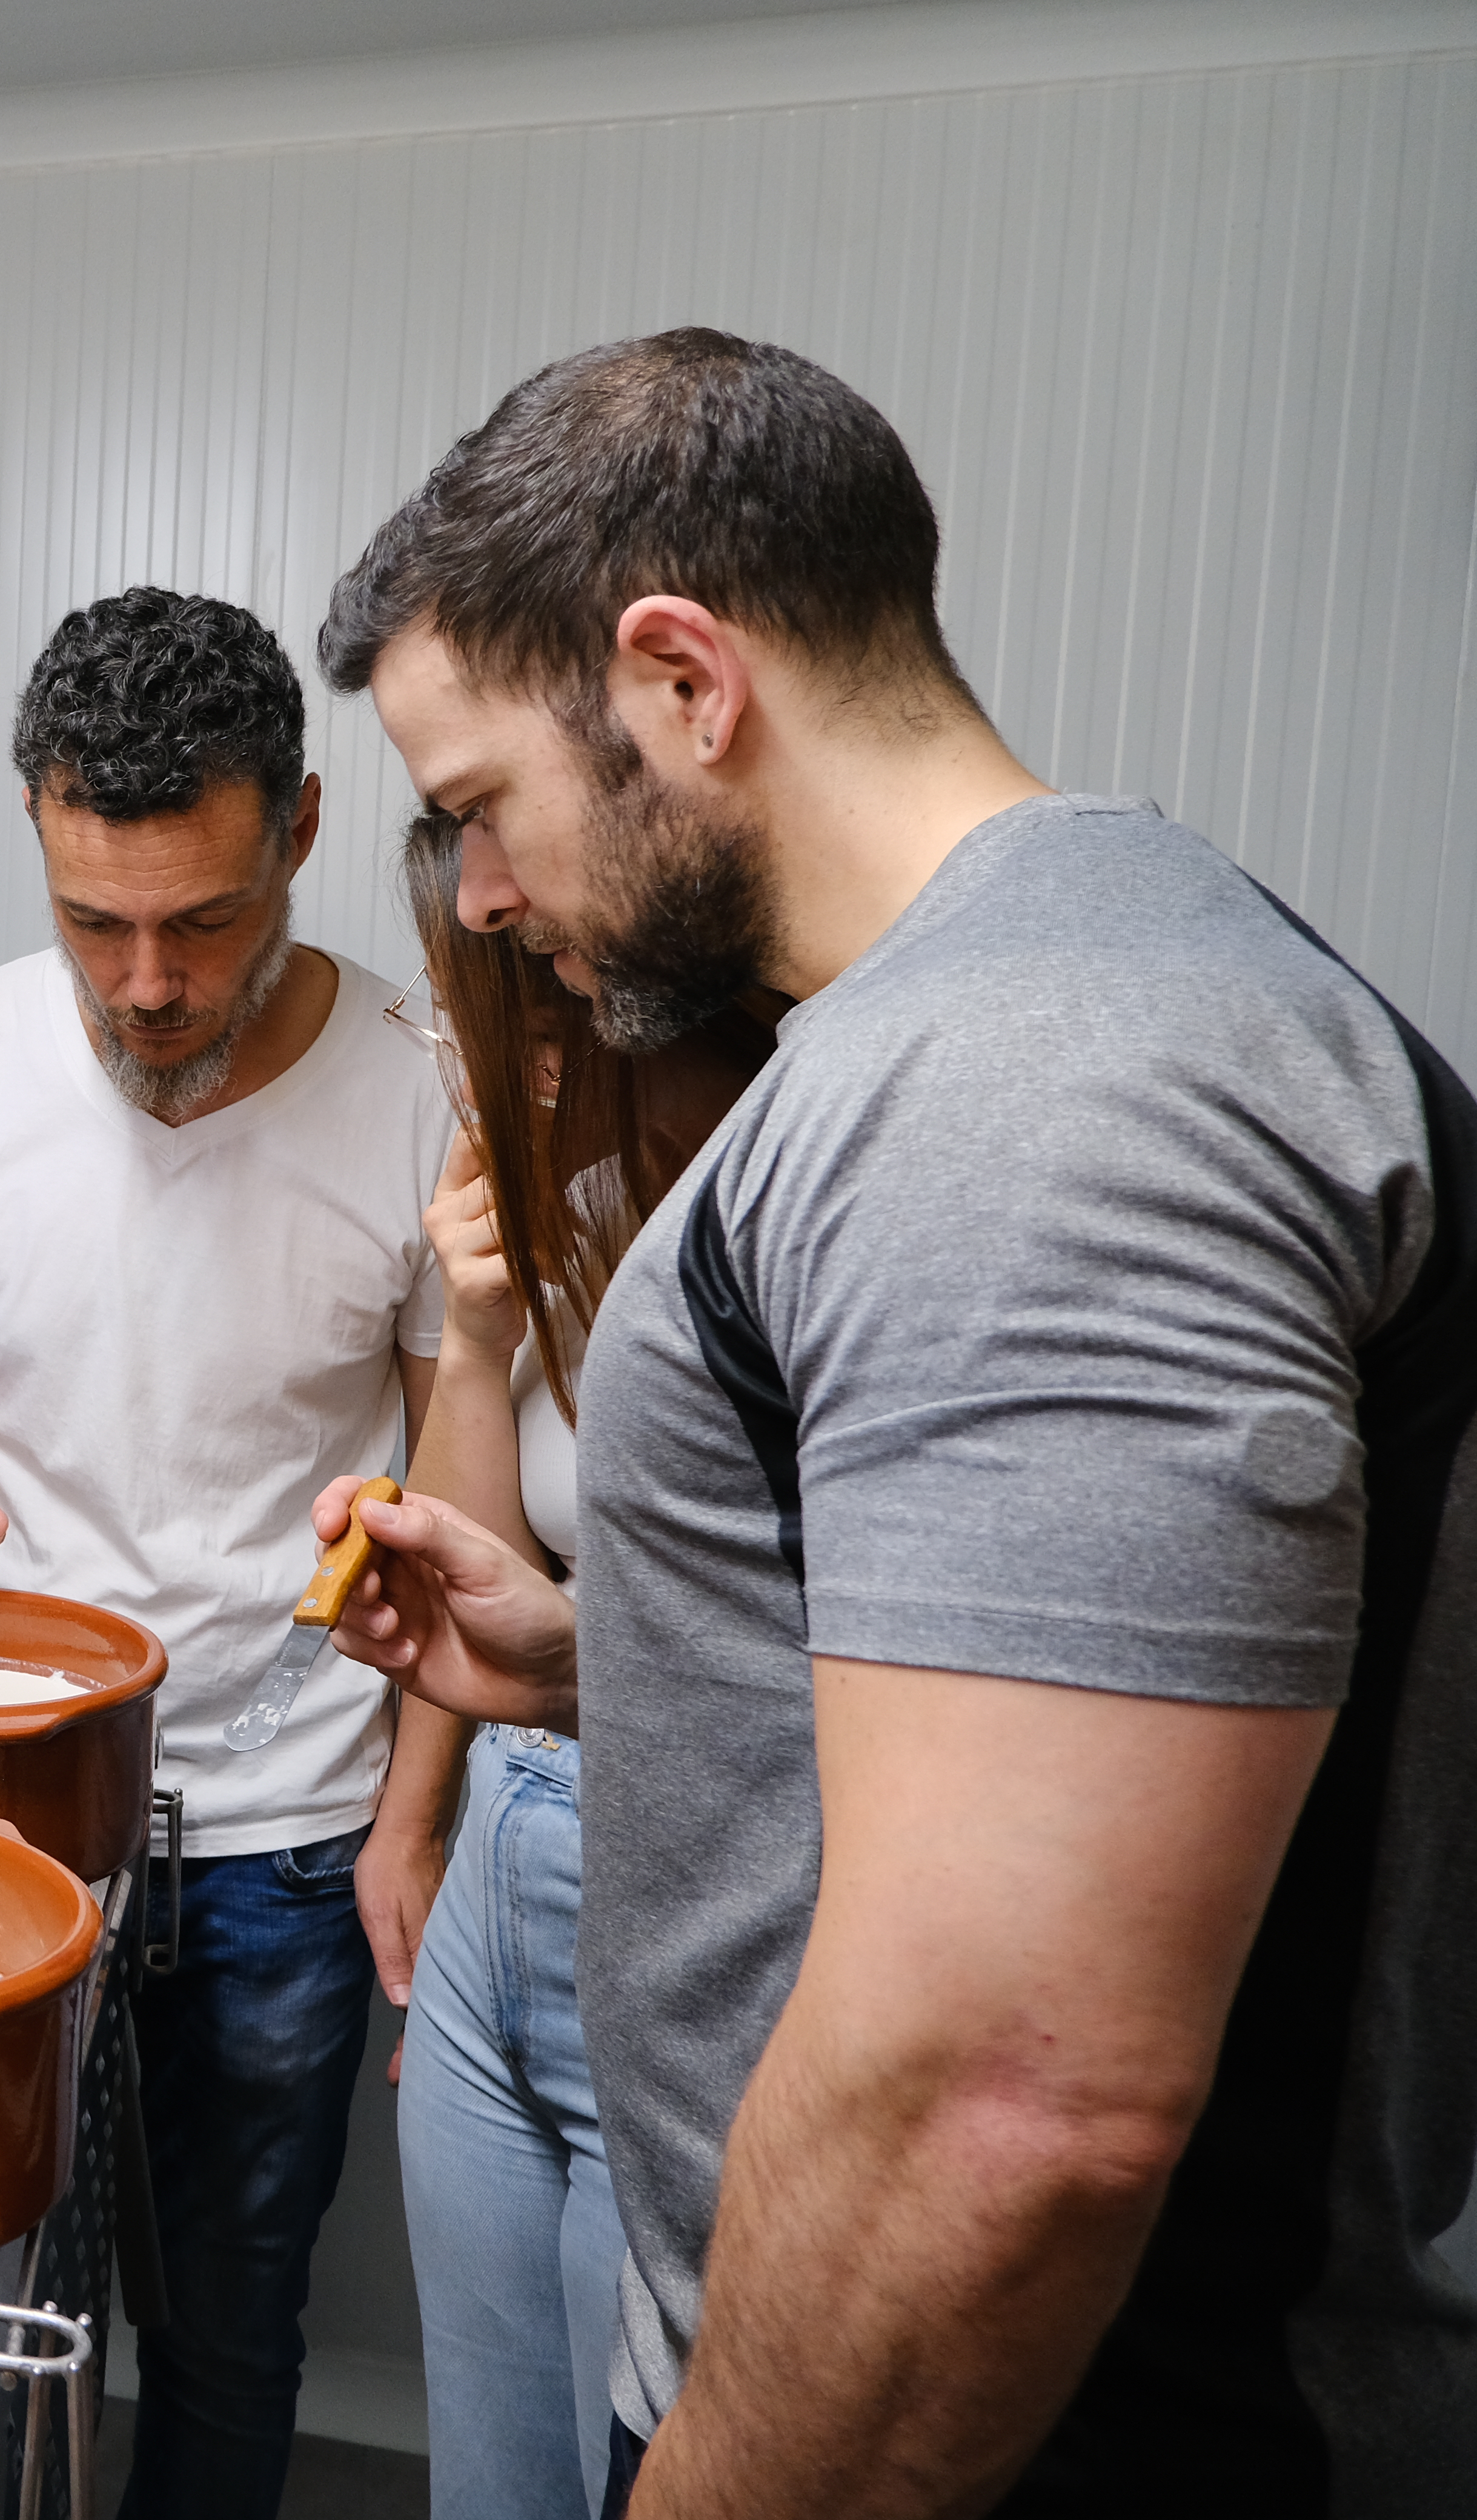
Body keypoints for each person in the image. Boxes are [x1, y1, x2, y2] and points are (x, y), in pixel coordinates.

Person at [314, 327, 1477, 2515]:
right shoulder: (1028, 1010)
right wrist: (601, 1653)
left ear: (681, 681)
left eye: (480, 808)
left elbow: (1013, 2100)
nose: (473, 894)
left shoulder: (1036, 1082)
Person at [0, 588, 454, 2520]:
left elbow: (462, 1504)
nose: (150, 982)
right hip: (1, 1803)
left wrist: (414, 1819)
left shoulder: (424, 1082)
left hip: (290, 1830)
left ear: (305, 836)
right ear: (36, 827)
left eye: (207, 922)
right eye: (98, 922)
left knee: (236, 2329)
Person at [379, 814, 769, 2520]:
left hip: (695, 1893)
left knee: (650, 2472)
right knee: (493, 2484)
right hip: (512, 1865)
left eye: (533, 1020)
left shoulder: (780, 1203)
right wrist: (475, 1328)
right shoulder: (573, 1209)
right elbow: (492, 1592)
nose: (507, 1073)